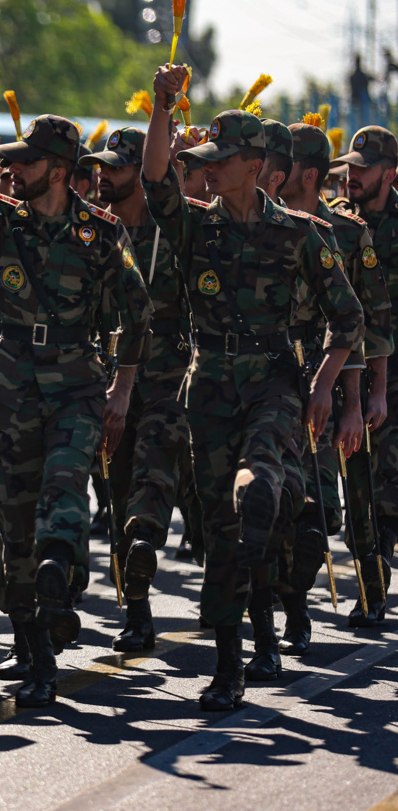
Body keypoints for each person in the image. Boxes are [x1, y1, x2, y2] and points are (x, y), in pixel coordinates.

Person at [143, 66, 363, 711]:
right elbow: (155, 180)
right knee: (224, 531)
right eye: (206, 160)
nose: (208, 169)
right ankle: (233, 661)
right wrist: (161, 105)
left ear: (255, 166)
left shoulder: (297, 231)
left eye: (221, 161)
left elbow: (348, 316)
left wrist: (323, 386)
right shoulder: (195, 226)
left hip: (273, 384)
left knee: (258, 489)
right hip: (210, 386)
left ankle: (271, 499)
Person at [0, 104, 151, 707]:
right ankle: (33, 644)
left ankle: (59, 582)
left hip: (75, 385)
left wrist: (123, 390)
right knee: (12, 518)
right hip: (10, 383)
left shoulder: (101, 232)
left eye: (27, 163)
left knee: (64, 489)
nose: (14, 171)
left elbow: (138, 314)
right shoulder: (4, 222)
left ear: (58, 171)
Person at [277, 120, 392, 651]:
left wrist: (371, 394)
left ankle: (371, 593)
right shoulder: (268, 225)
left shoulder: (347, 232)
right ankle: (294, 606)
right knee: (297, 498)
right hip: (283, 378)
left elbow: (372, 318)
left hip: (345, 377)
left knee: (359, 494)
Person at [79, 127, 190, 652]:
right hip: (107, 369)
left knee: (156, 462)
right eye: (100, 167)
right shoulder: (91, 230)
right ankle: (138, 613)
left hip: (167, 370)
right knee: (117, 485)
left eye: (116, 167)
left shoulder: (173, 228)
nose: (103, 176)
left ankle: (149, 538)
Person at [332, 124, 398, 624]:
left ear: (390, 174)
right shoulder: (336, 222)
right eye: (350, 168)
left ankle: (377, 573)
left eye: (364, 169)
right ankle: (371, 585)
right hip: (354, 368)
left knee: (387, 483)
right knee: (360, 482)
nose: (352, 176)